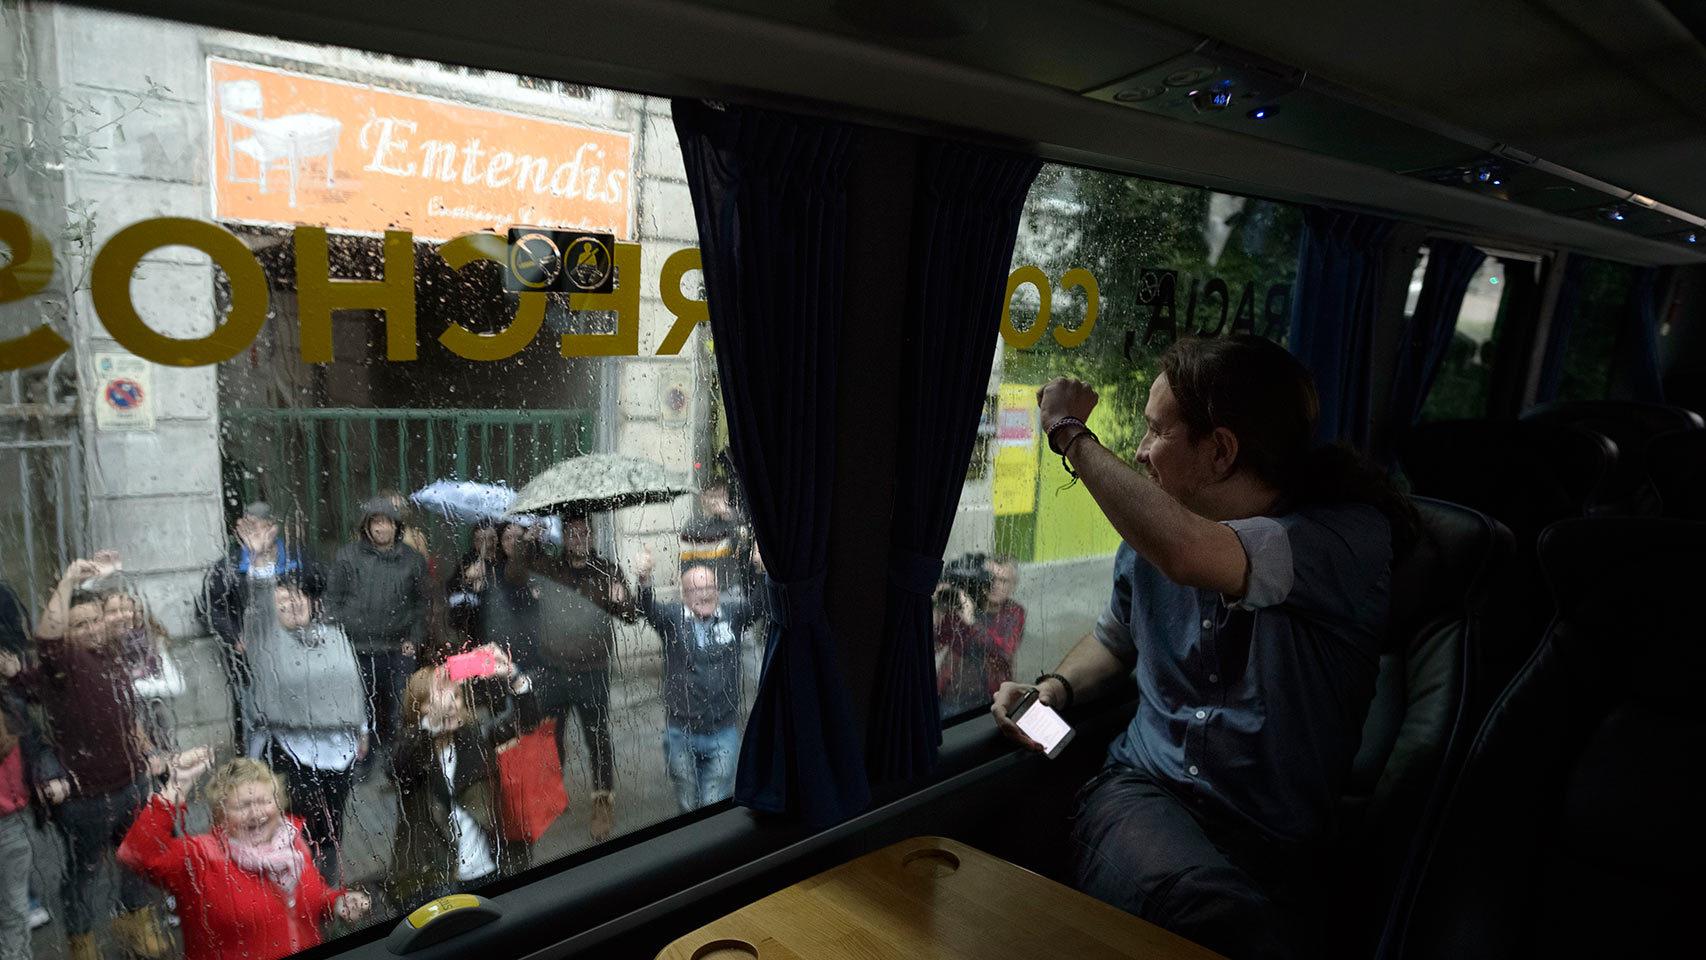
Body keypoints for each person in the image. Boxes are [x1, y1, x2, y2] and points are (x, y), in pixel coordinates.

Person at [992, 336, 1414, 960]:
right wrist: (1053, 689)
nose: (1139, 452)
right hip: (1144, 795)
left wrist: (1069, 433)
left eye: (1157, 432)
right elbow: (1115, 639)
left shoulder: (1342, 539)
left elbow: (1192, 554)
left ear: (1220, 452)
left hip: (1279, 843)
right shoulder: (1153, 533)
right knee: (1213, 918)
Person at [10, 554, 170, 960]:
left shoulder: (114, 654)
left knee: (136, 861)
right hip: (85, 799)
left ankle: (134, 925)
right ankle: (82, 943)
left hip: (131, 783)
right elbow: (46, 639)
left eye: (95, 620)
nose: (92, 628)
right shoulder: (61, 661)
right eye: (79, 624)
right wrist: (68, 579)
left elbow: (127, 714)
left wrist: (149, 751)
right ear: (67, 632)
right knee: (83, 875)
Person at [118, 749, 372, 960]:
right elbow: (137, 855)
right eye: (242, 806)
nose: (256, 813)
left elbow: (314, 899)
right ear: (220, 816)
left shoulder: (293, 844)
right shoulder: (199, 857)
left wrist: (337, 902)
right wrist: (177, 785)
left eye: (264, 801)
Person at [513, 512, 636, 842]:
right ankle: (553, 796)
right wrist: (528, 542)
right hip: (554, 669)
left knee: (597, 738)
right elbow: (514, 574)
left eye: (583, 533)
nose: (578, 538)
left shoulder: (607, 569)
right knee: (551, 739)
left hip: (592, 671)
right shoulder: (551, 567)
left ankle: (602, 802)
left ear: (592, 537)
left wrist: (622, 601)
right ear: (564, 537)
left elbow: (631, 615)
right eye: (571, 533)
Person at [388, 649, 540, 907]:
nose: (449, 705)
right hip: (439, 879)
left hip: (492, 869)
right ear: (418, 710)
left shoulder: (474, 739)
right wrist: (431, 724)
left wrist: (513, 677)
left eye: (455, 697)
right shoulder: (413, 751)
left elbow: (525, 723)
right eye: (436, 701)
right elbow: (398, 767)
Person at [243, 573, 368, 879]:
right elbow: (259, 608)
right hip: (293, 752)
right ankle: (297, 887)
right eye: (282, 601)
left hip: (341, 751)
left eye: (298, 595)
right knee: (299, 826)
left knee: (332, 824)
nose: (293, 603)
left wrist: (362, 729)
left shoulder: (334, 634)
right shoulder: (267, 641)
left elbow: (355, 683)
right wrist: (260, 567)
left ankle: (326, 889)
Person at [634, 548, 758, 813]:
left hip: (722, 731)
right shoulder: (672, 619)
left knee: (714, 803)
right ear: (683, 595)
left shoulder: (732, 615)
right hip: (681, 732)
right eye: (695, 589)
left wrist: (760, 568)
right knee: (688, 803)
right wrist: (644, 578)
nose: (704, 594)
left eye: (710, 587)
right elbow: (647, 608)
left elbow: (760, 605)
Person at [201, 502, 320, 747]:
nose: (253, 532)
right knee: (256, 717)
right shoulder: (228, 567)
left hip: (296, 654)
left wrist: (313, 626)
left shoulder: (298, 560)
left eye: (258, 526)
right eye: (247, 526)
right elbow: (210, 608)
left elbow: (321, 593)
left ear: (273, 528)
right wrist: (234, 637)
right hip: (251, 660)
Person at [325, 497, 429, 766]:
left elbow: (422, 605)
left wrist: (415, 639)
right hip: (356, 648)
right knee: (361, 709)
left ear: (396, 526)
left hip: (397, 648)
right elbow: (333, 600)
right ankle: (364, 761)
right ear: (367, 527)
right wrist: (338, 637)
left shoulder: (412, 560)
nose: (381, 528)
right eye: (375, 522)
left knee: (400, 709)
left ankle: (398, 763)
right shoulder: (347, 556)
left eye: (386, 522)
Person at [0, 630, 60, 960]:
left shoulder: (13, 706)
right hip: (12, 821)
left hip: (10, 822)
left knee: (13, 908)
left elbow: (36, 751)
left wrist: (49, 778)